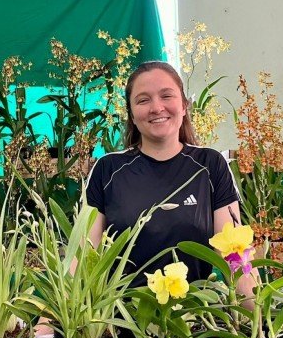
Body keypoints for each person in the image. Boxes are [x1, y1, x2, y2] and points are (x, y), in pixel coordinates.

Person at [86, 61, 256, 298]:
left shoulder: (210, 165)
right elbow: (84, 256)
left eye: (166, 95)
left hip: (197, 318)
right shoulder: (108, 170)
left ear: (184, 105)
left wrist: (261, 323)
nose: (157, 107)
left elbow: (233, 254)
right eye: (143, 100)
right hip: (125, 320)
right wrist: (47, 323)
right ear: (132, 115)